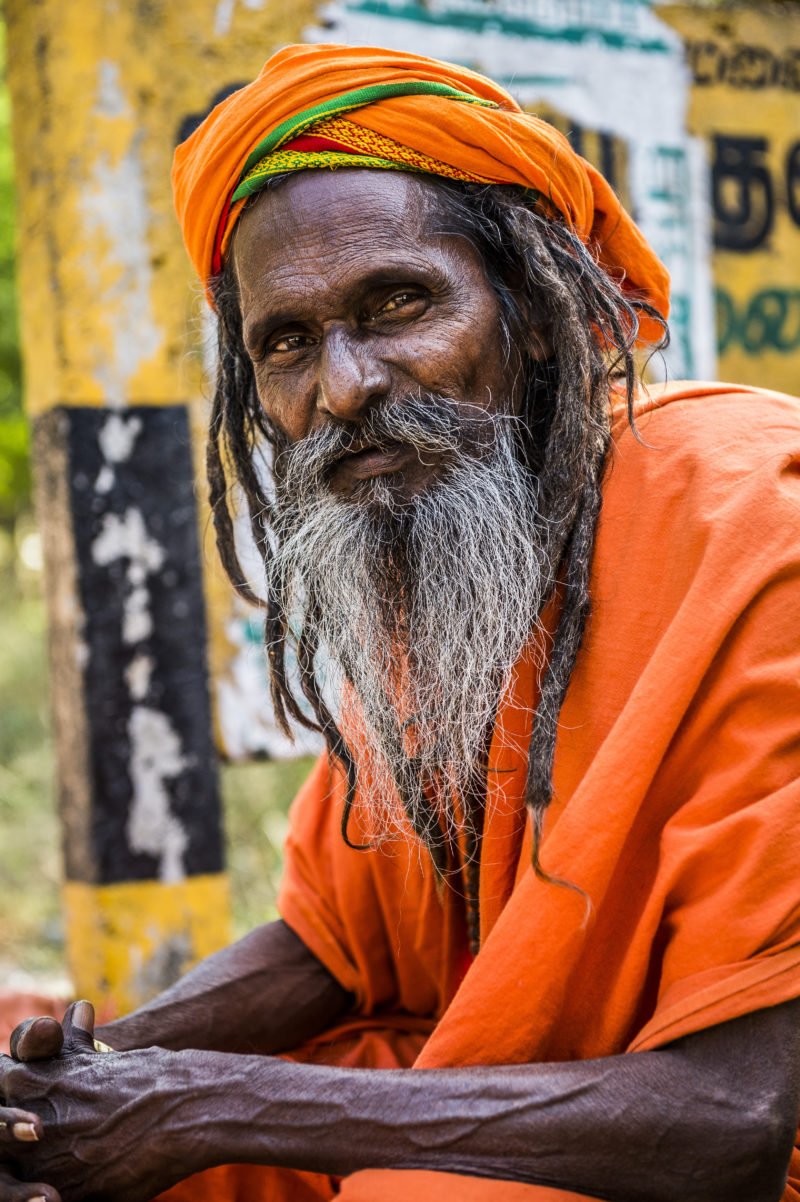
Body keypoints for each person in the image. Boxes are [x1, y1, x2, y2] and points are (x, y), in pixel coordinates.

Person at [2, 42, 800, 1202]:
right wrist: (79, 1080)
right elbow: (330, 944)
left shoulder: (751, 518)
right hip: (542, 1088)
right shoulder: (431, 540)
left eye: (397, 302)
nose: (342, 384)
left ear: (532, 312)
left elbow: (734, 1113)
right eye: (285, 342)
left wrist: (202, 1098)